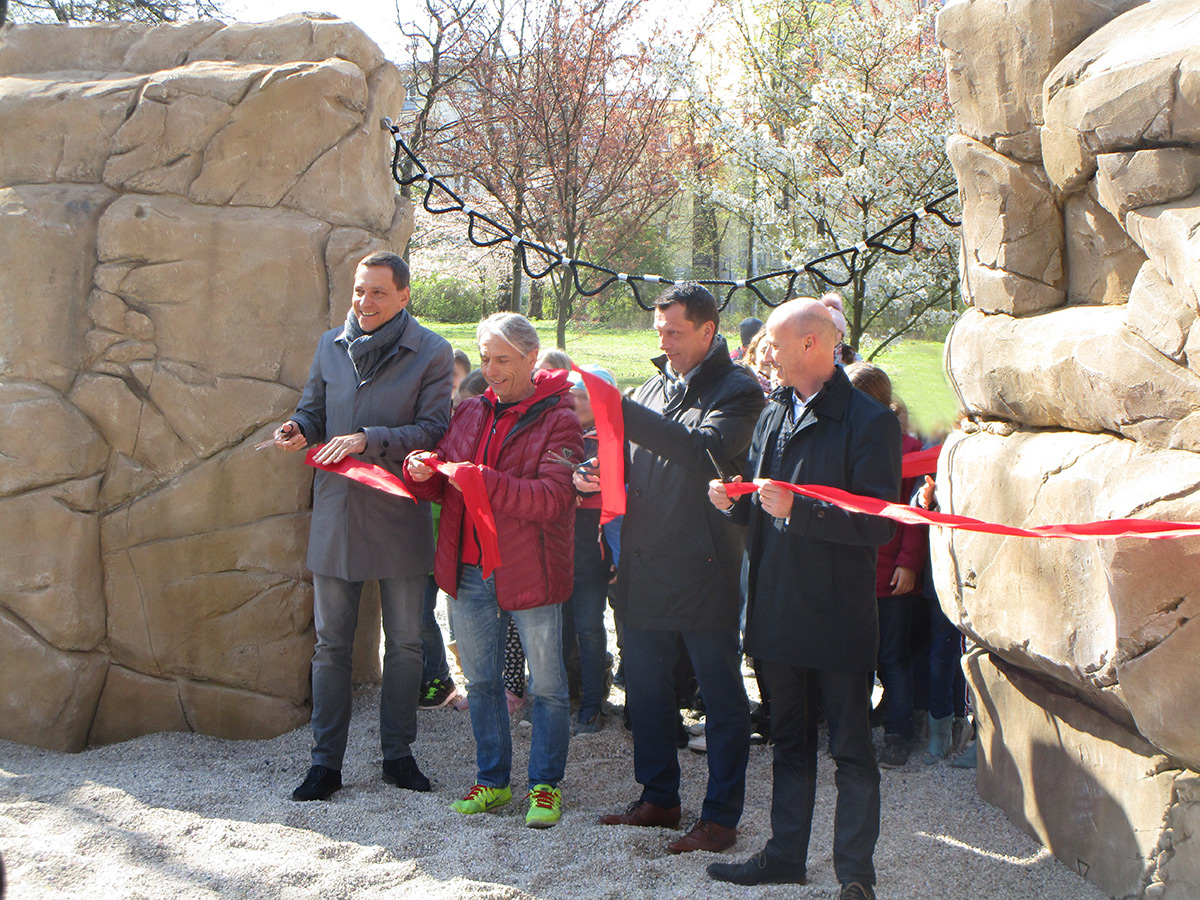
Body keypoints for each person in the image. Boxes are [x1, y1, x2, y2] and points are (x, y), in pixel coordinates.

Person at [707, 298, 900, 900]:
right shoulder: (774, 412)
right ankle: (785, 855)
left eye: (776, 343)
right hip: (777, 609)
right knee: (789, 742)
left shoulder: (871, 422)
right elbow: (766, 505)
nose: (767, 353)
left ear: (813, 345)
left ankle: (855, 874)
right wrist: (734, 501)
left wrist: (803, 510)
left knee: (850, 750)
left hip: (838, 614)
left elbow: (877, 524)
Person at [272, 251, 453, 802]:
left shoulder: (433, 351)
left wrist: (366, 437)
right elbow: (313, 409)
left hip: (399, 512)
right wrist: (298, 427)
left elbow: (434, 429)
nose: (364, 302)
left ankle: (398, 757)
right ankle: (325, 764)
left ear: (403, 296)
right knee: (331, 646)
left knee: (403, 644)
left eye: (377, 292)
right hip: (337, 513)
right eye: (358, 291)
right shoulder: (330, 344)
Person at [597, 282, 765, 855]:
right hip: (642, 566)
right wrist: (593, 472)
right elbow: (629, 457)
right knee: (645, 691)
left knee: (720, 699)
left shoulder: (739, 389)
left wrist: (622, 414)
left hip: (704, 567)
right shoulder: (650, 386)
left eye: (673, 332)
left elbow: (703, 453)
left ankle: (720, 817)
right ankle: (659, 798)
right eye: (658, 332)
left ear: (707, 331)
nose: (664, 342)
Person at [404, 313, 583, 829]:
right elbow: (446, 479)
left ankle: (545, 786)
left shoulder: (560, 417)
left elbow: (553, 499)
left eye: (502, 359)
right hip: (466, 567)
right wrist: (423, 472)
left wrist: (484, 481)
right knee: (481, 683)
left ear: (532, 358)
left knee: (547, 685)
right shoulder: (470, 411)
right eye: (485, 358)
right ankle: (493, 780)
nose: (491, 368)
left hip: (531, 568)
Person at [845, 362, 926, 769]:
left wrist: (909, 564)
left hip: (891, 571)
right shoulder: (846, 439)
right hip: (854, 572)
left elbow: (914, 516)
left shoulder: (907, 451)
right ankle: (855, 729)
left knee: (893, 656)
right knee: (857, 656)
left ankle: (898, 732)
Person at [564, 365, 619, 733]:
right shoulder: (560, 435)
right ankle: (567, 694)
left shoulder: (614, 441)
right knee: (560, 629)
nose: (577, 401)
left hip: (593, 551)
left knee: (587, 625)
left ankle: (592, 704)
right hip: (557, 549)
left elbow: (620, 503)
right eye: (574, 394)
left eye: (586, 395)